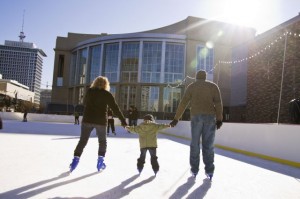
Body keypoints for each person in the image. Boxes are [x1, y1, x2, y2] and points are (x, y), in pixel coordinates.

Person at [170, 70, 223, 181]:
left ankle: (194, 170)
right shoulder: (213, 86)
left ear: (196, 77)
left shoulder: (192, 86)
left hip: (196, 118)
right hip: (210, 118)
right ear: (205, 77)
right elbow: (218, 103)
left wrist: (176, 118)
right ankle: (209, 170)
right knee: (208, 145)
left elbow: (183, 103)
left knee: (195, 144)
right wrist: (219, 119)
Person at [69, 76, 127, 172]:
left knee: (82, 141)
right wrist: (123, 121)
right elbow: (115, 108)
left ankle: (75, 161)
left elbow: (84, 103)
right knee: (102, 141)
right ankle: (100, 161)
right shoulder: (107, 94)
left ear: (95, 83)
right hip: (100, 121)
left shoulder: (90, 91)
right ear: (106, 84)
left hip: (87, 119)